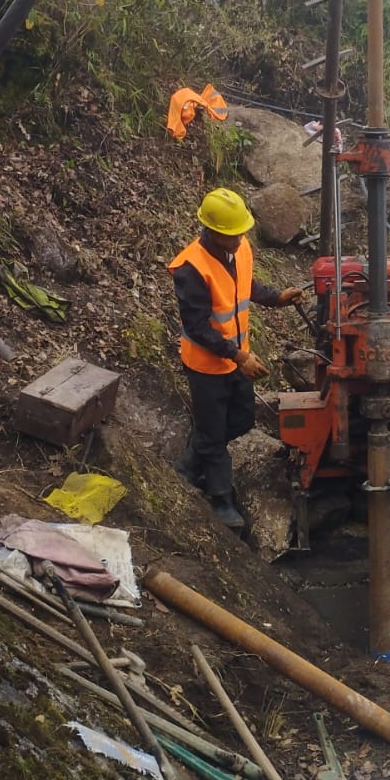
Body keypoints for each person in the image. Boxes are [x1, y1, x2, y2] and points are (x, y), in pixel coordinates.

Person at [169, 188, 303, 528]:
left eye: (241, 232)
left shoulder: (239, 248)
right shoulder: (191, 268)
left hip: (234, 358)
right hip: (207, 365)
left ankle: (189, 462)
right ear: (213, 232)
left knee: (241, 420)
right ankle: (221, 501)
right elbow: (197, 326)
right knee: (214, 435)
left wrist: (276, 298)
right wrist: (239, 355)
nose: (240, 239)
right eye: (232, 235)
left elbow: (246, 287)